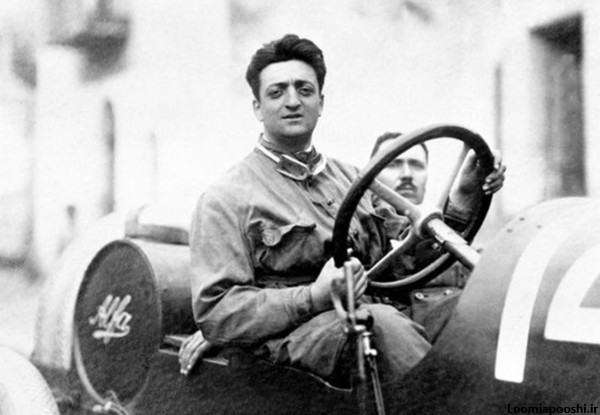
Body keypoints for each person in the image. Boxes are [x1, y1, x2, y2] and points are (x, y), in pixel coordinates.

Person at [181, 34, 503, 403]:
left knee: (481, 309)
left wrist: (463, 198)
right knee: (379, 326)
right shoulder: (226, 198)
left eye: (304, 89)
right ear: (257, 107)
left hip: (380, 312)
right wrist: (313, 297)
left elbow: (410, 259)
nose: (292, 101)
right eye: (277, 92)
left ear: (321, 102)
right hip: (296, 336)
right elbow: (218, 311)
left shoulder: (355, 179)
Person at [369, 131, 505, 335]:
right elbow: (405, 258)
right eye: (393, 164)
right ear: (373, 176)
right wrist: (461, 199)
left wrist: (470, 190)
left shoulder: (450, 232)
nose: (407, 174)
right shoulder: (363, 228)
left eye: (416, 165)